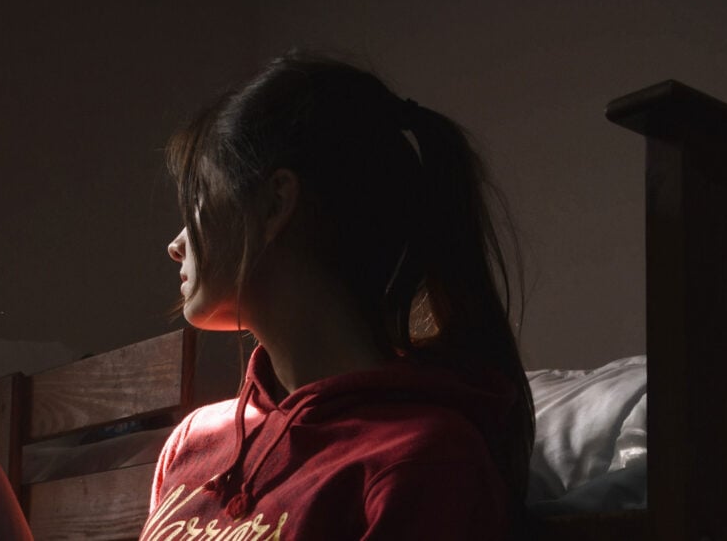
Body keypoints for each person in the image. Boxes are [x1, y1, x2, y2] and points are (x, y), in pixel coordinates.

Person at [142, 51, 534, 540]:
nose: (176, 245)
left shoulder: (422, 461)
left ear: (274, 205)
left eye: (197, 201)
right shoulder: (192, 442)